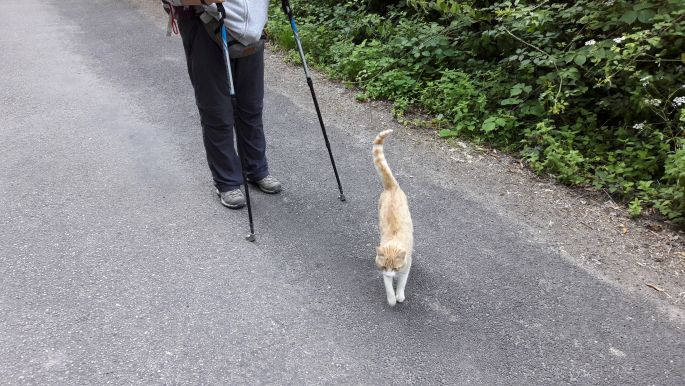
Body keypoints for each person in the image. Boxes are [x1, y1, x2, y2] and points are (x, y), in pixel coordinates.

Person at [165, 0, 281, 209]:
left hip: (250, 25)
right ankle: (227, 181)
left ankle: (256, 169)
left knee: (251, 105)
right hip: (203, 23)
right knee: (216, 110)